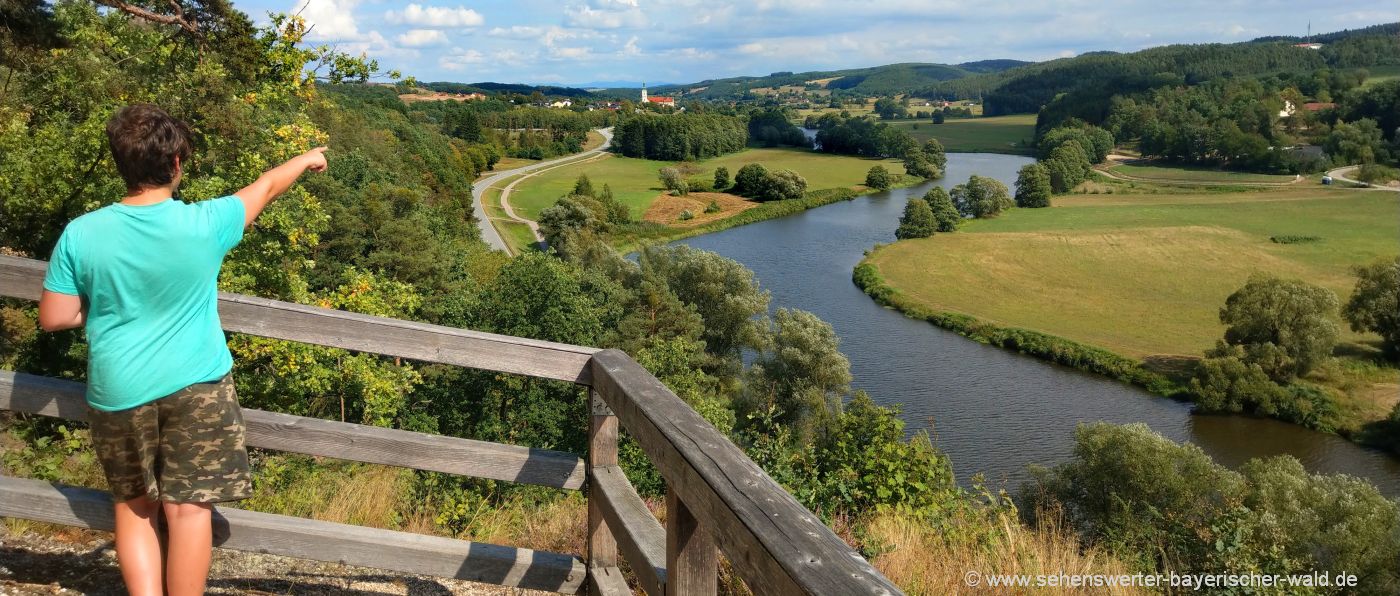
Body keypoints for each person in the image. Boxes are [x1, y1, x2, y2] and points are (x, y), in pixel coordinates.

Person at [36, 104, 327, 596]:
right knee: (190, 510)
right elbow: (266, 187)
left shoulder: (81, 233)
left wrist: (107, 305)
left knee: (133, 508)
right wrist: (305, 159)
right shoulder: (207, 223)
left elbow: (56, 317)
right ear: (175, 164)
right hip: (198, 386)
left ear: (120, 163)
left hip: (119, 388)